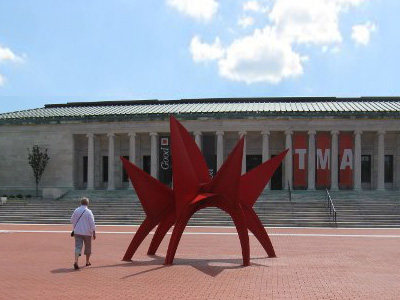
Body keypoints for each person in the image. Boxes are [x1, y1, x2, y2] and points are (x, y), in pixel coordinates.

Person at [70, 197, 96, 270]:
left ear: (80, 203)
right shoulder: (88, 211)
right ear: (87, 203)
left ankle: (76, 261)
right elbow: (92, 223)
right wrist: (94, 232)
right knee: (88, 247)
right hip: (87, 232)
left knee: (78, 246)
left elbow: (71, 220)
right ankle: (87, 261)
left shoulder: (76, 210)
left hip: (77, 231)